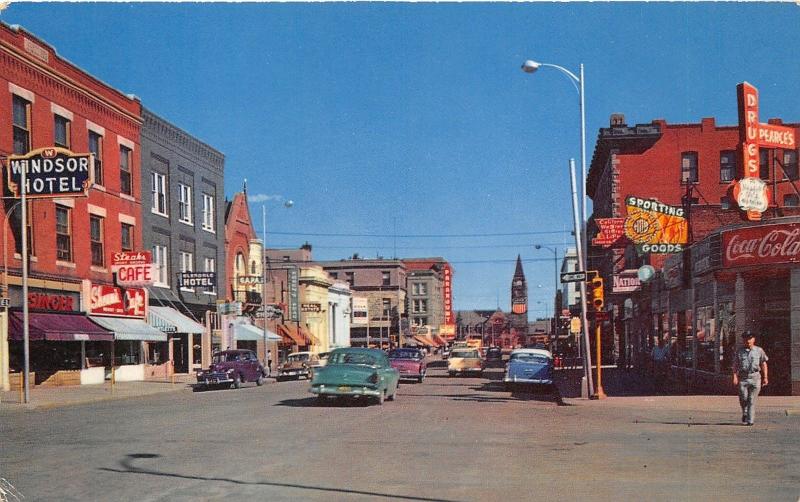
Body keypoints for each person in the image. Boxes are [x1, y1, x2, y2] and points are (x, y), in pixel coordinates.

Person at [733, 331, 768, 426]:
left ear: (754, 339)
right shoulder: (739, 351)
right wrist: (735, 376)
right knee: (743, 398)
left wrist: (765, 377)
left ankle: (750, 420)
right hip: (743, 378)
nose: (748, 341)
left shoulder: (759, 350)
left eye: (750, 338)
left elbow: (764, 363)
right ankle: (744, 411)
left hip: (755, 377)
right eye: (746, 339)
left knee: (752, 399)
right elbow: (735, 364)